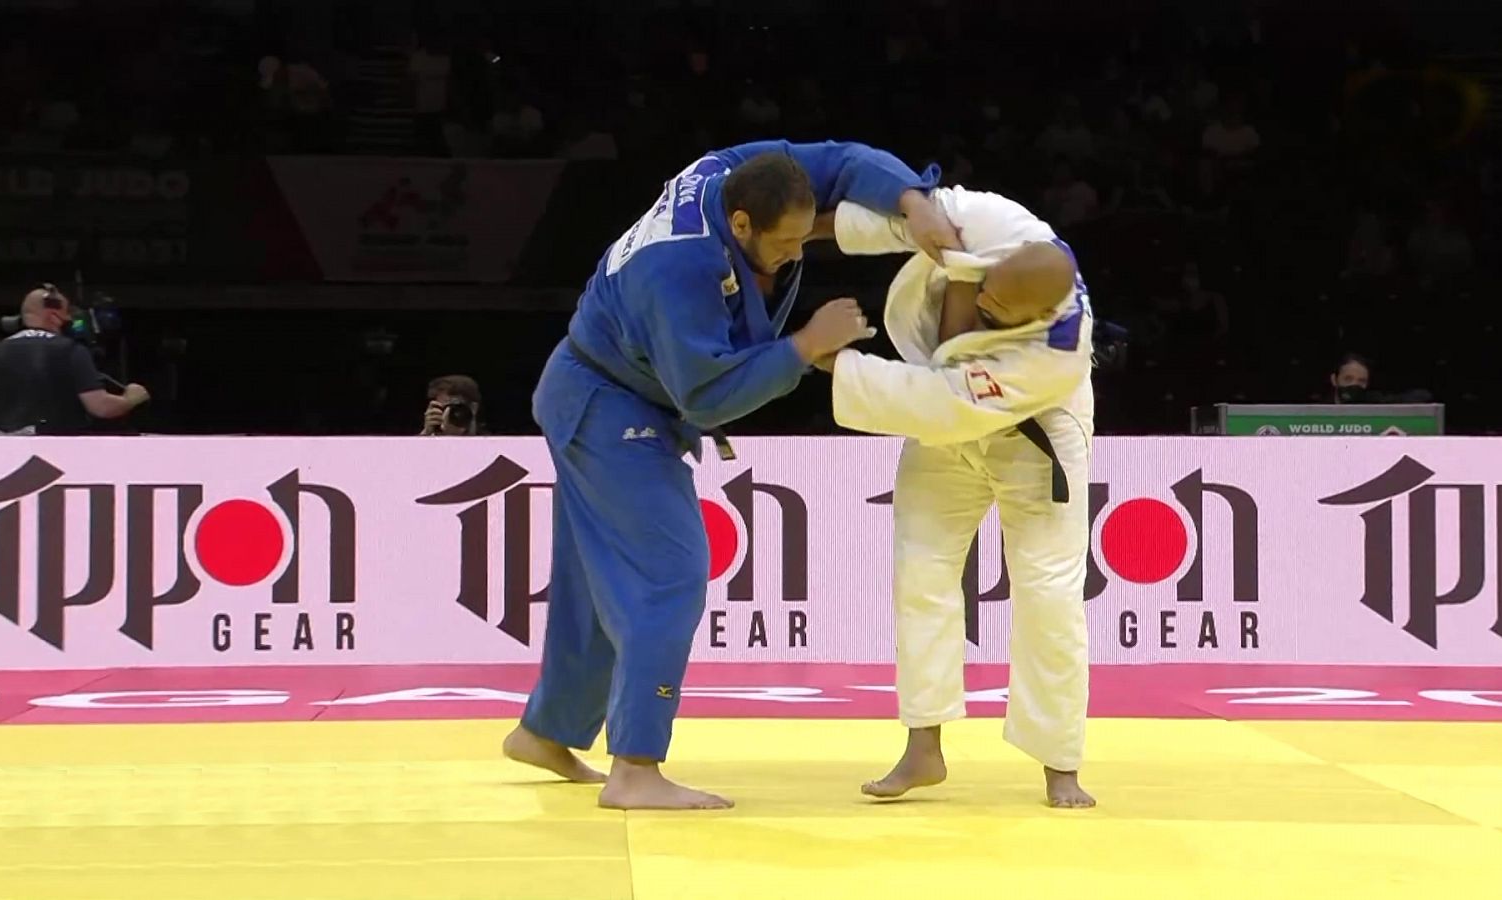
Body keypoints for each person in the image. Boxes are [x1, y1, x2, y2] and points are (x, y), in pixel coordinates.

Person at [502, 141, 959, 811]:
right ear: (739, 224)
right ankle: (635, 768)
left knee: (590, 582)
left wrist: (912, 202)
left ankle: (546, 732)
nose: (797, 254)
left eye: (806, 238)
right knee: (671, 575)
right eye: (783, 244)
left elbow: (838, 159)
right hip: (608, 407)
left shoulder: (729, 170)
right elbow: (707, 398)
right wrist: (805, 344)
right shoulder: (677, 268)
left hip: (602, 394)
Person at [815, 185, 1097, 808]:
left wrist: (824, 359)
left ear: (1033, 318)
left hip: (1038, 437)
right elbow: (923, 207)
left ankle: (1059, 761)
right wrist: (814, 231)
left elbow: (940, 401)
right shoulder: (1005, 224)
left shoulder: (1057, 354)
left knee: (1049, 592)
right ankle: (923, 746)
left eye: (999, 312)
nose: (986, 310)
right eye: (986, 294)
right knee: (921, 570)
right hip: (949, 421)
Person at [0, 285, 148, 434]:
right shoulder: (71, 350)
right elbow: (100, 407)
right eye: (67, 312)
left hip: (3, 453)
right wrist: (130, 399)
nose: (70, 318)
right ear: (53, 316)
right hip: (56, 453)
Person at [420, 374, 485, 435]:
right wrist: (426, 433)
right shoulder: (430, 441)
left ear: (474, 408)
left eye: (456, 408)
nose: (448, 413)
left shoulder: (489, 441)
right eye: (444, 408)